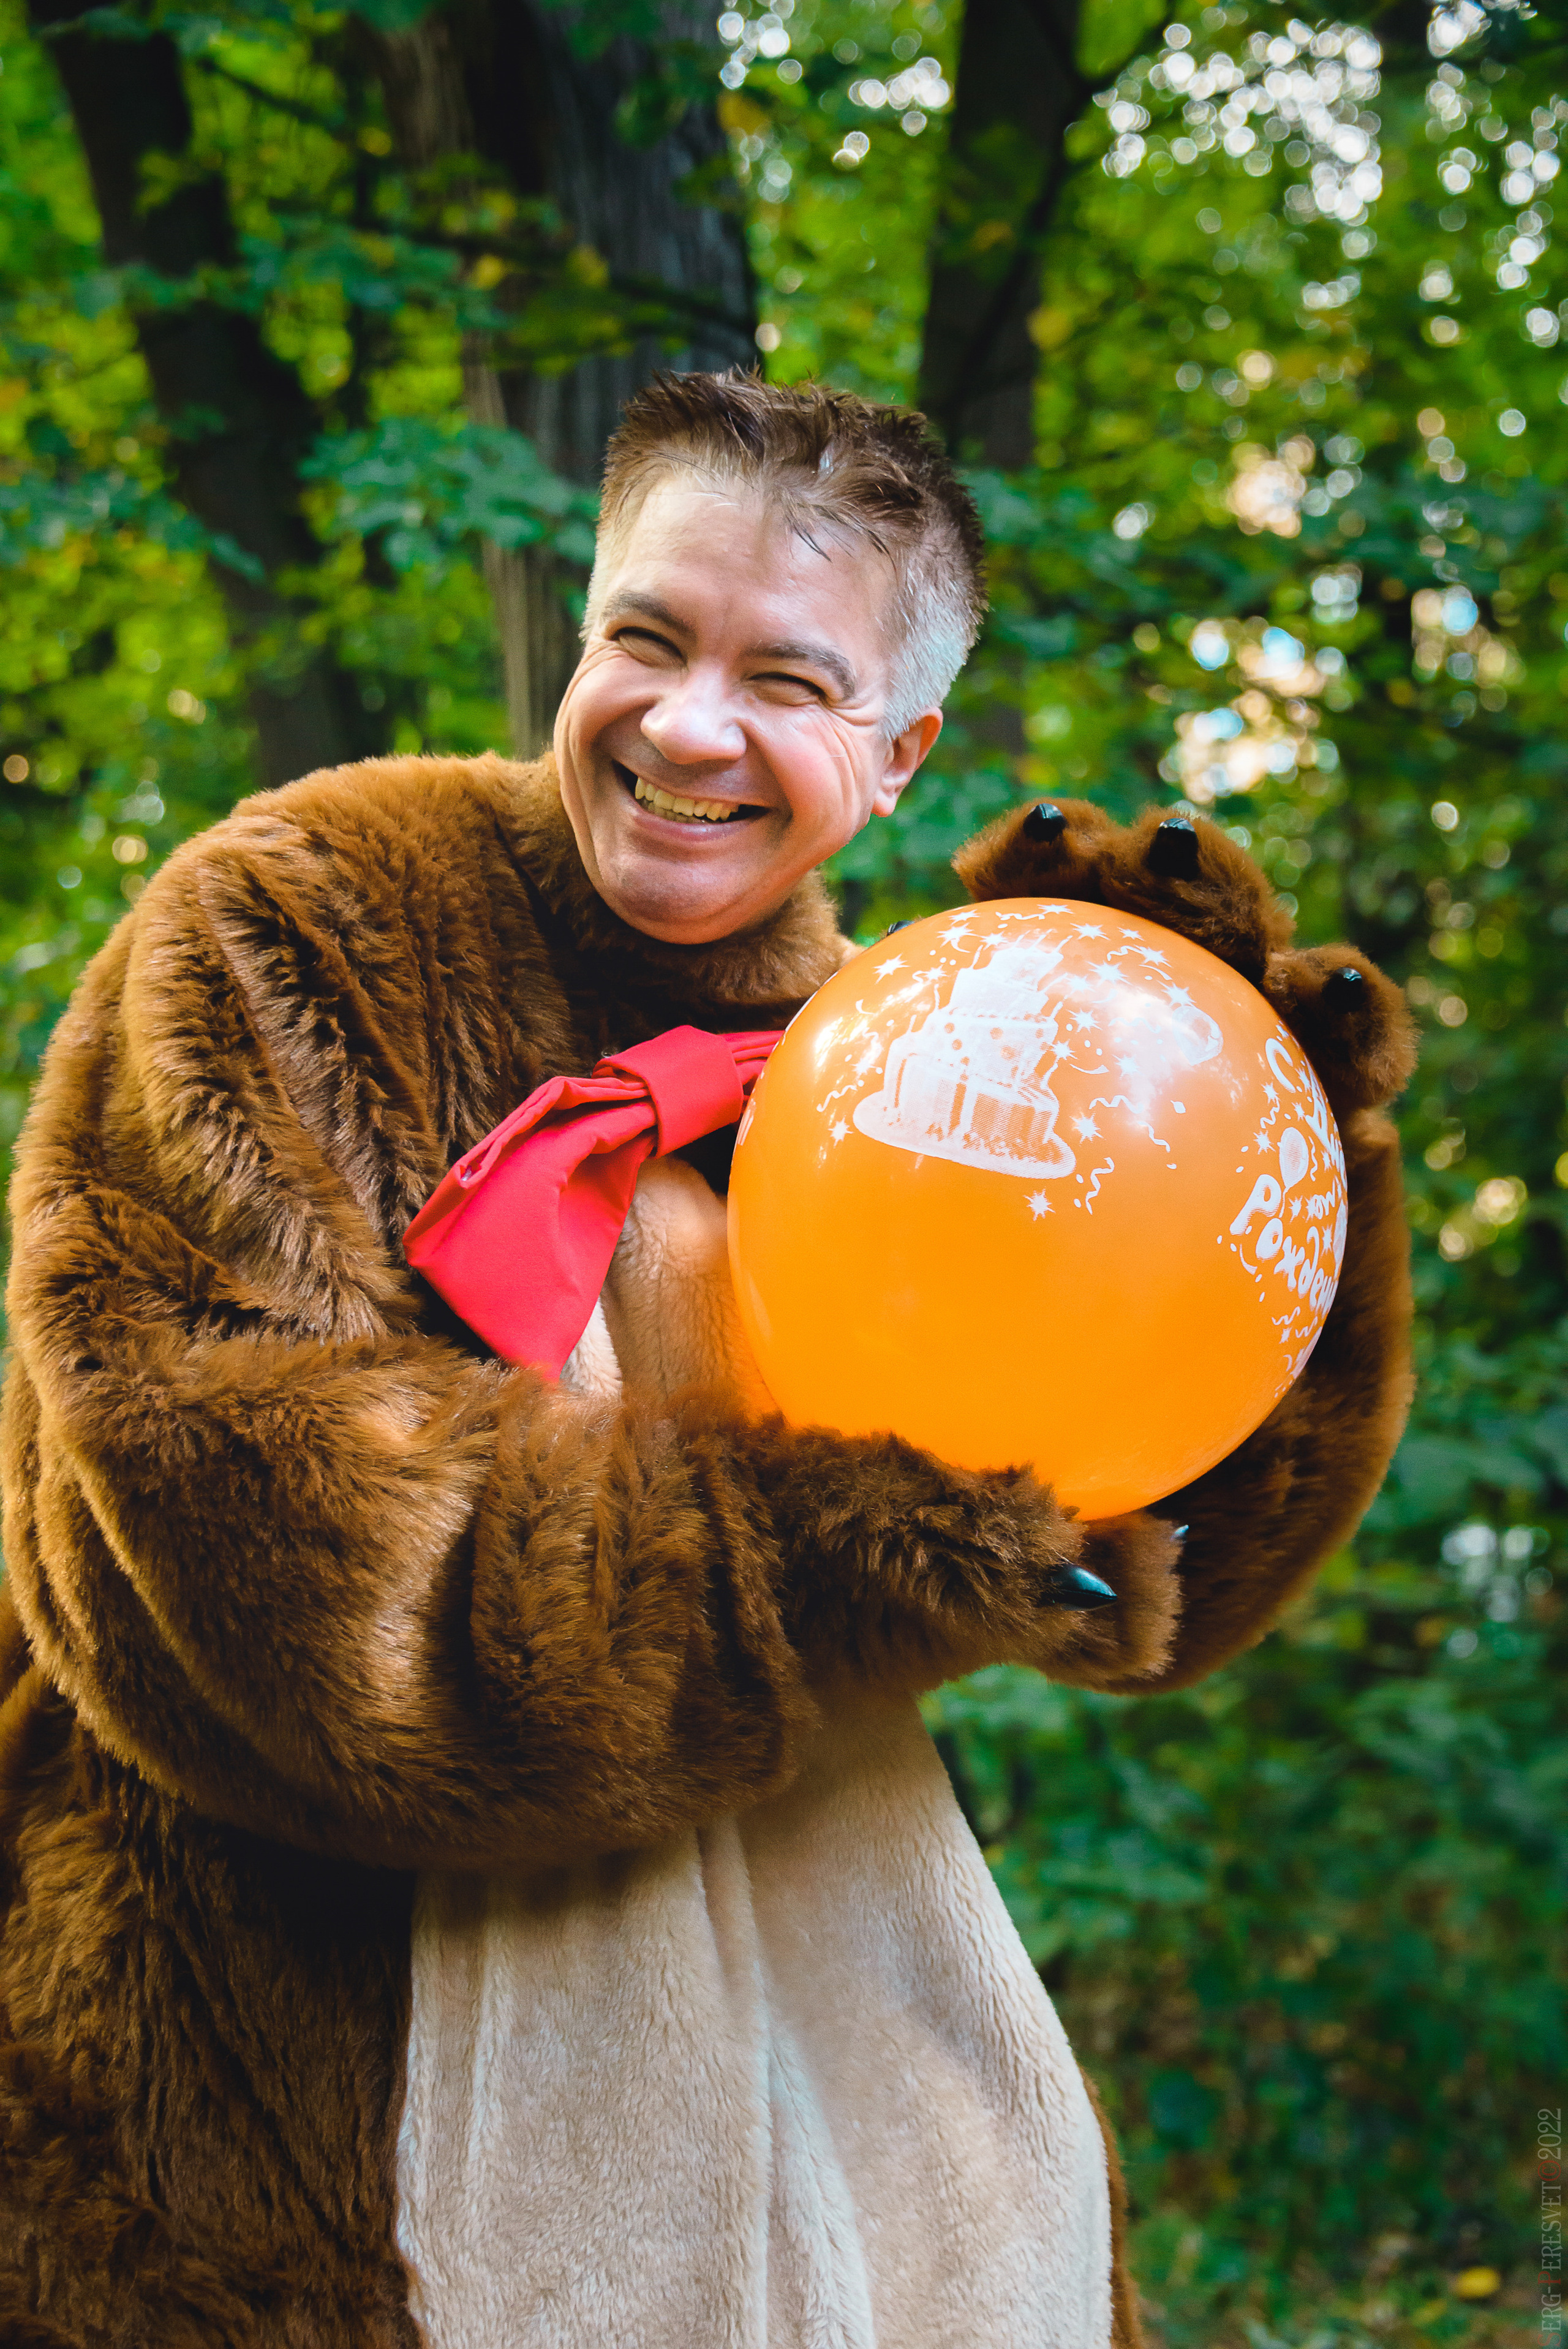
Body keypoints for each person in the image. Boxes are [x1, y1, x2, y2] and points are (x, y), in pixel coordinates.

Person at [0, 372, 1415, 2348]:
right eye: (645, 639)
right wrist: (812, 1557)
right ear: (579, 629)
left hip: (862, 2155)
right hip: (290, 2154)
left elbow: (1128, 1569)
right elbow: (258, 1566)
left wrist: (1290, 1189)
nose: (686, 725)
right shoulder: (295, 921)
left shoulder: (947, 1064)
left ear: (904, 748)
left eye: (787, 677)